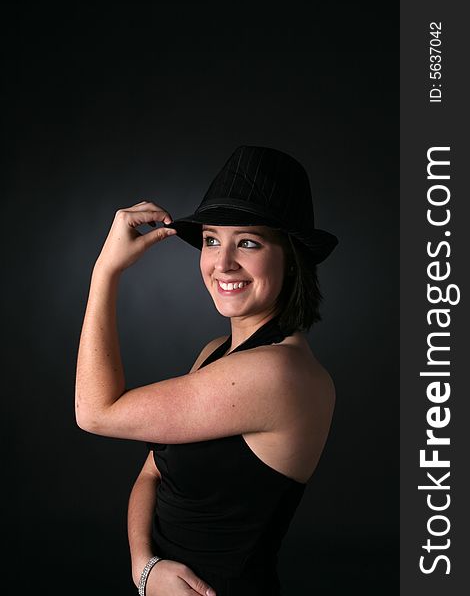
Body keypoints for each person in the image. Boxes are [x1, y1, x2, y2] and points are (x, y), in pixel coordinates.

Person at [75, 145, 339, 596]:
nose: (222, 263)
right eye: (213, 239)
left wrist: (105, 272)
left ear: (291, 257)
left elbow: (95, 412)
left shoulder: (280, 374)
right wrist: (145, 566)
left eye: (249, 242)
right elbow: (152, 473)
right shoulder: (217, 352)